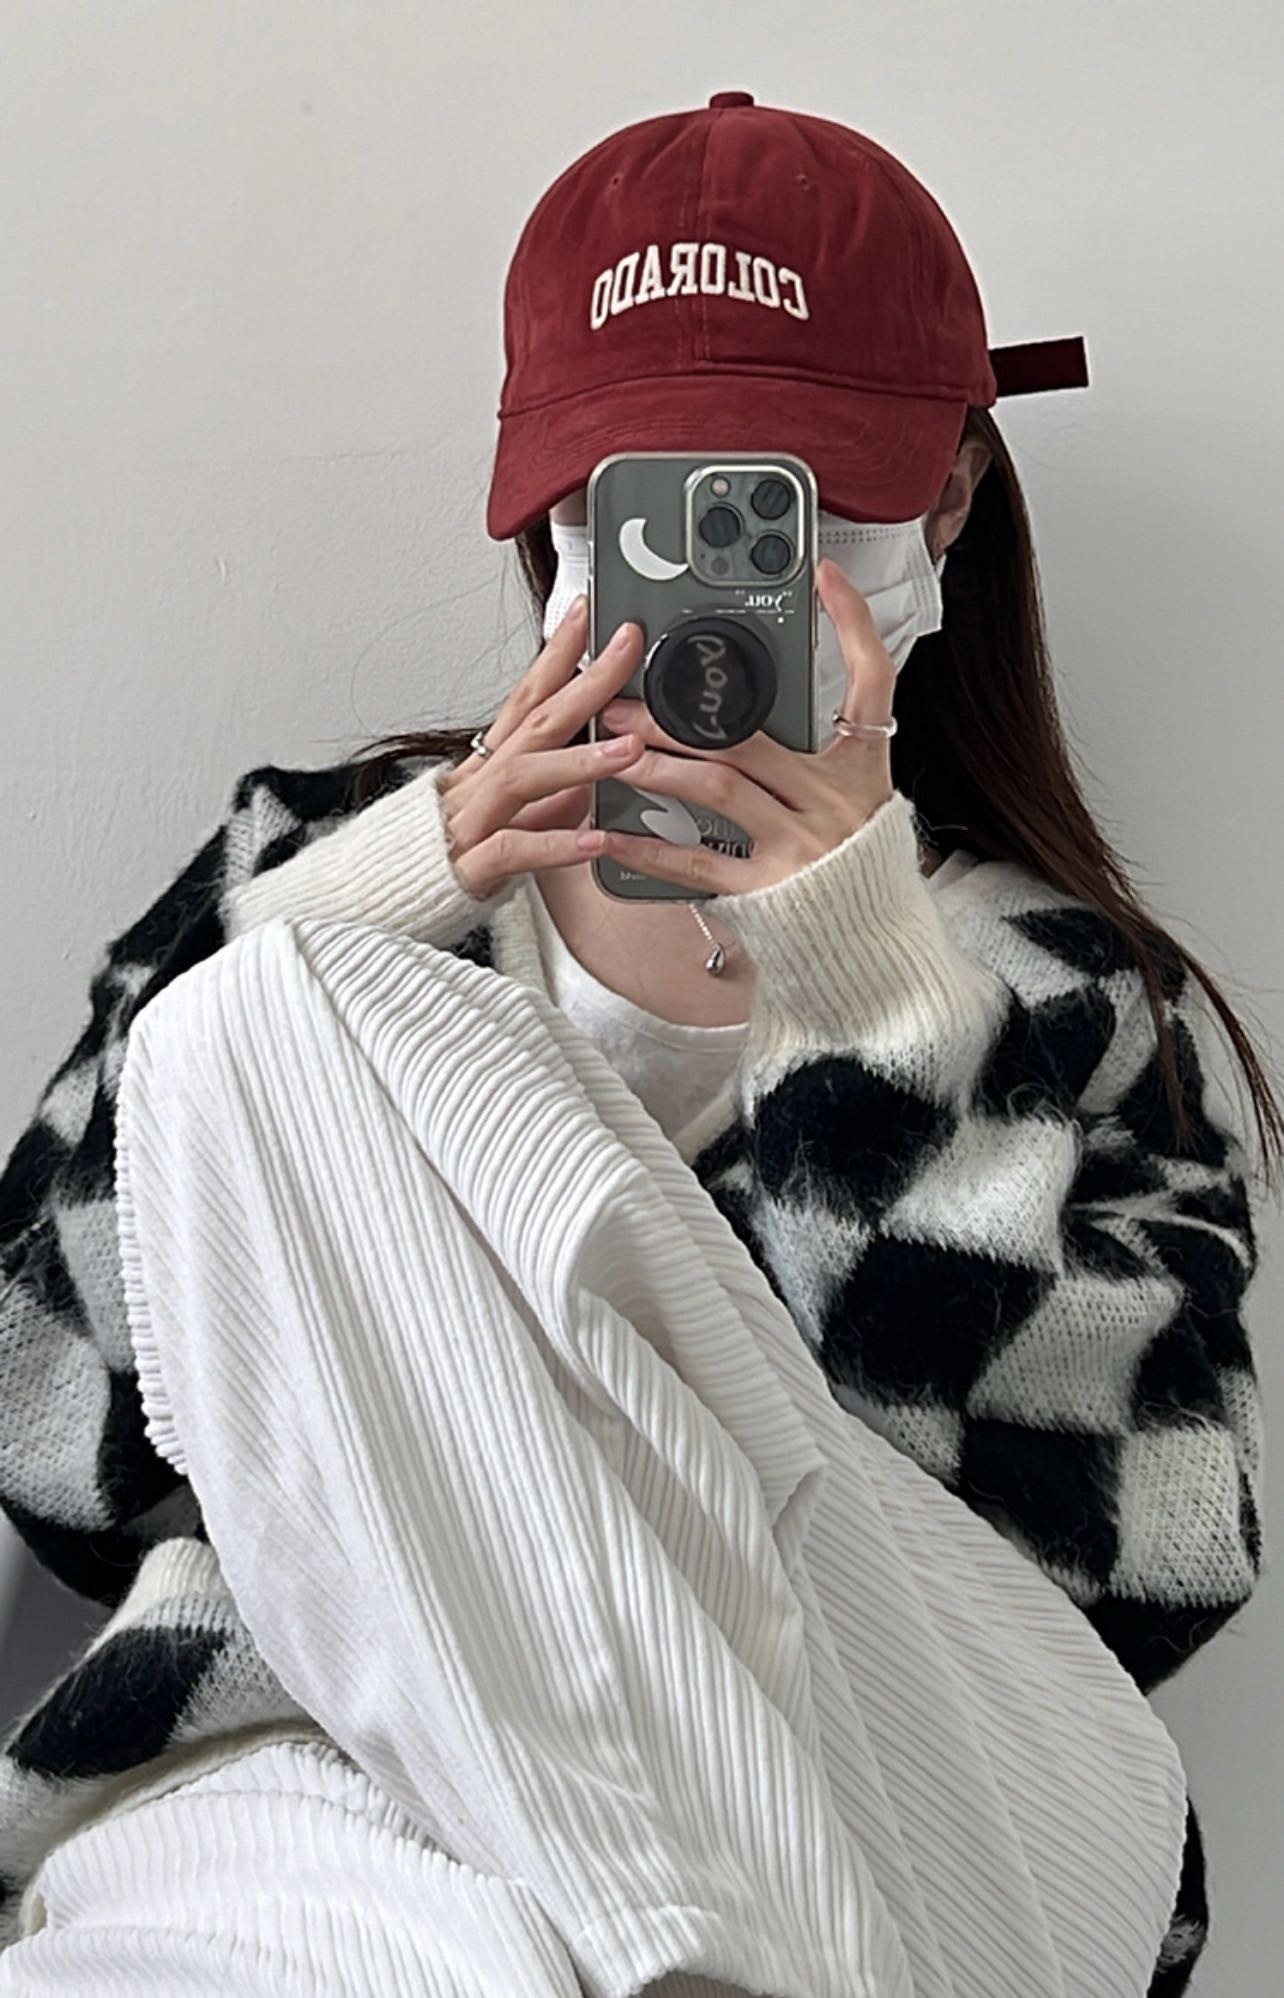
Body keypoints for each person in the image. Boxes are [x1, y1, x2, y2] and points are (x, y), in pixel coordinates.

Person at [0, 90, 1274, 1996]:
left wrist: (869, 1000)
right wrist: (395, 887)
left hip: (914, 1805)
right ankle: (666, 1930)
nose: (707, 577)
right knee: (265, 1009)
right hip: (369, 1776)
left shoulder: (1070, 994)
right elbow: (51, 1441)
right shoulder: (318, 884)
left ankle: (656, 1902)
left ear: (945, 502)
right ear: (549, 507)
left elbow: (1146, 1568)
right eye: (641, 499)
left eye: (779, 499)